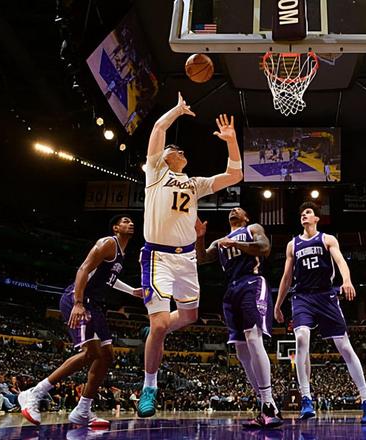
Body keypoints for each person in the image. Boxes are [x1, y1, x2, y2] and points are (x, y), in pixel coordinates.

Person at [138, 93, 242, 417]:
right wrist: (178, 111)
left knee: (189, 317)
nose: (180, 151)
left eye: (182, 150)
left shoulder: (194, 184)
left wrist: (231, 141)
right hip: (157, 257)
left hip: (186, 260)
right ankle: (149, 387)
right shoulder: (155, 173)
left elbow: (234, 176)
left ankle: (157, 332)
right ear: (164, 156)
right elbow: (158, 128)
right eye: (175, 149)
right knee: (159, 325)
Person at [18, 216, 141, 427]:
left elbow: (108, 279)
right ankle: (34, 393)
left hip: (95, 305)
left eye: (131, 221)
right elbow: (84, 268)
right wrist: (78, 302)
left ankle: (83, 410)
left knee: (107, 356)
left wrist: (132, 291)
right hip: (79, 300)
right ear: (115, 227)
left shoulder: (121, 253)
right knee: (90, 353)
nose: (130, 224)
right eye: (125, 221)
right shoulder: (108, 243)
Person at [274, 202, 366, 424]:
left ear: (317, 218)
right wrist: (278, 304)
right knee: (301, 338)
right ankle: (306, 398)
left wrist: (347, 280)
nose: (304, 215)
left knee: (344, 347)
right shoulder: (293, 244)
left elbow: (340, 261)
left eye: (308, 212)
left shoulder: (327, 239)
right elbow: (286, 277)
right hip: (302, 297)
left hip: (326, 295)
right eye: (302, 213)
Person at [195, 207, 282, 428]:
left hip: (252, 282)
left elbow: (264, 248)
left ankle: (268, 403)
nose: (234, 210)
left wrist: (235, 243)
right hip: (231, 289)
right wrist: (200, 237)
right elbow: (201, 258)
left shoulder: (252, 229)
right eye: (232, 210)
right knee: (241, 352)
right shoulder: (220, 241)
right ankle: (266, 405)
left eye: (239, 209)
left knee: (253, 338)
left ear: (246, 217)